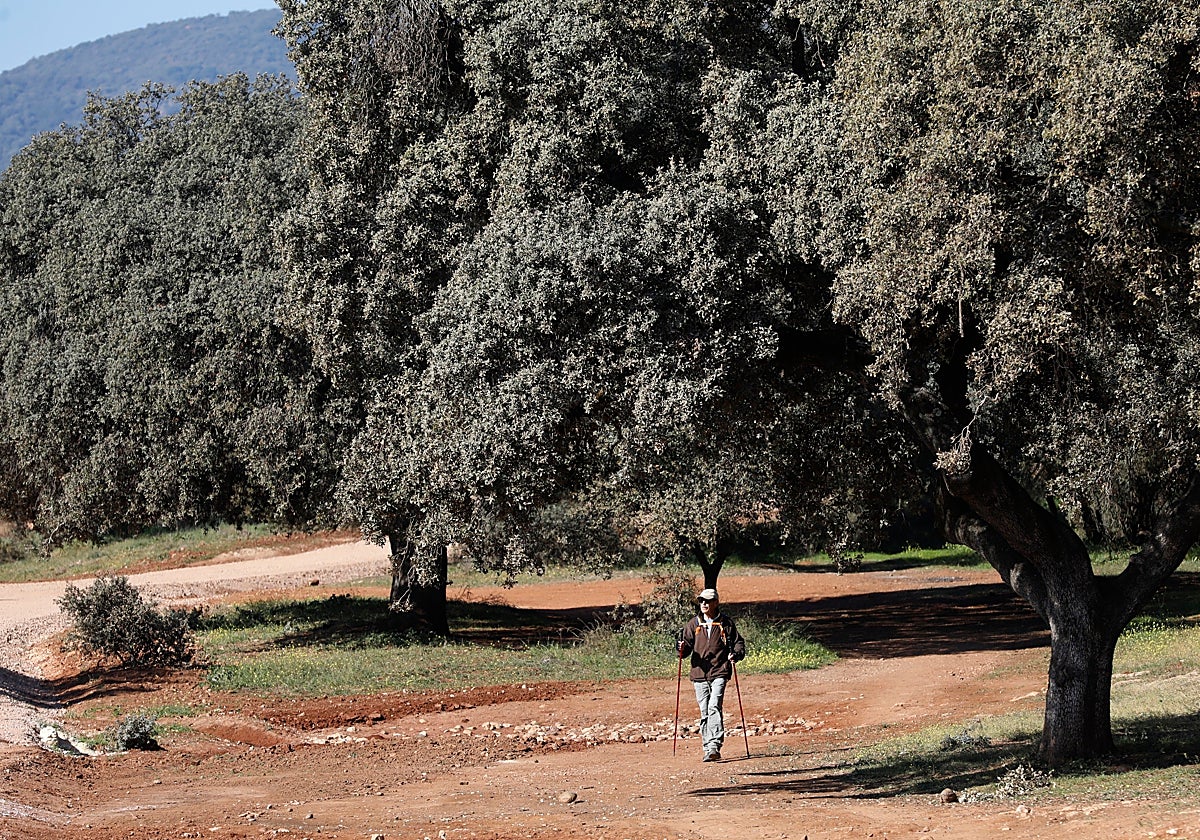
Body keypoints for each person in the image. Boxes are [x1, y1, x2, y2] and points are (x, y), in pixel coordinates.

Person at [676, 587, 746, 762]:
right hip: (699, 673)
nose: (704, 604)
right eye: (701, 601)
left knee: (714, 705)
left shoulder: (726, 623)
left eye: (707, 601)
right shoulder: (693, 624)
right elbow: (684, 651)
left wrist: (735, 655)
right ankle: (708, 748)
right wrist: (681, 648)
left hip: (720, 670)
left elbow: (738, 643)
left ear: (716, 602)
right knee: (704, 710)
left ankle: (714, 746)